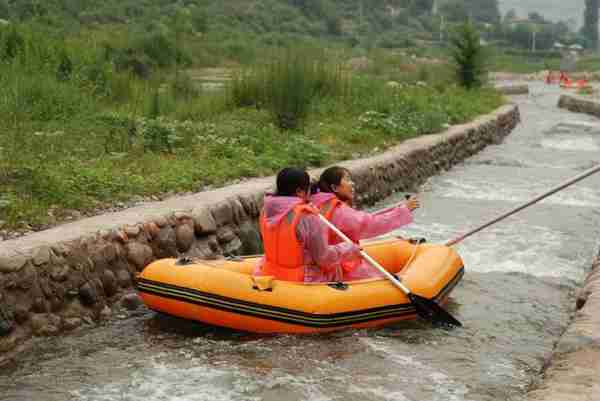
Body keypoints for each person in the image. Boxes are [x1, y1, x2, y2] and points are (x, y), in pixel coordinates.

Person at [254, 167, 362, 282]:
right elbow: (323, 258)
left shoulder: (265, 211)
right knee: (336, 267)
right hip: (300, 281)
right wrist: (349, 248)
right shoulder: (308, 218)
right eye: (308, 189)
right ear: (300, 192)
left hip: (269, 273)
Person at [311, 166, 419, 280]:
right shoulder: (339, 211)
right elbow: (370, 223)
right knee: (389, 282)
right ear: (334, 187)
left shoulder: (316, 203)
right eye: (347, 179)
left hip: (327, 264)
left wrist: (399, 209)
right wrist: (403, 211)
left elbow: (365, 218)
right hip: (342, 267)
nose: (352, 184)